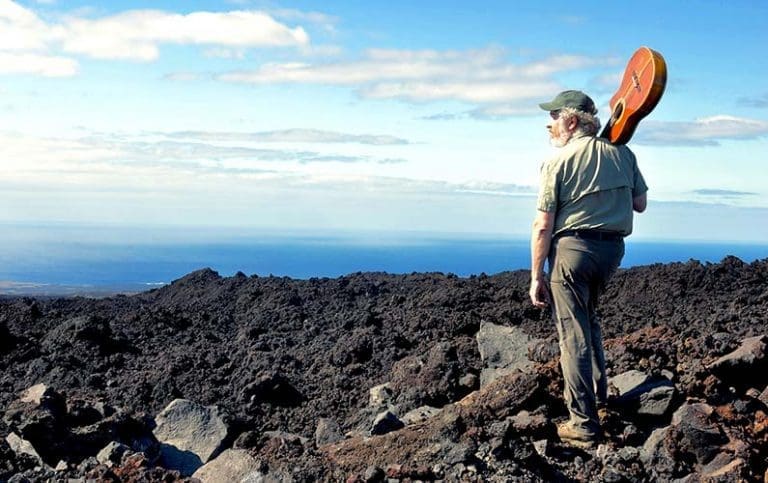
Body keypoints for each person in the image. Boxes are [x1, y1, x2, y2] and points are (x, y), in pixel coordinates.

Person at [529, 90, 647, 449]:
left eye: (553, 118)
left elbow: (543, 225)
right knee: (589, 317)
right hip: (611, 252)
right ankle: (599, 396)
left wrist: (536, 275)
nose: (548, 125)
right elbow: (639, 204)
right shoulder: (623, 153)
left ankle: (582, 423)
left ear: (571, 121)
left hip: (572, 251)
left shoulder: (558, 160)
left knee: (572, 333)